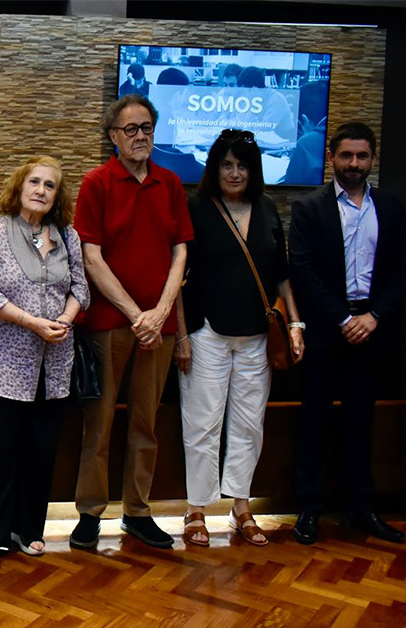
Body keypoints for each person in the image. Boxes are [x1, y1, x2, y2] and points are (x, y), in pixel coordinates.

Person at [70, 94, 193, 550]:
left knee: (146, 424)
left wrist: (161, 314)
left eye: (147, 128)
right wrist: (136, 314)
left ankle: (137, 512)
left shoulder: (171, 183)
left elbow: (180, 252)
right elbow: (91, 258)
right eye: (130, 129)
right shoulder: (96, 182)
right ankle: (89, 514)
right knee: (98, 426)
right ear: (113, 136)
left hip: (158, 328)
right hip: (108, 325)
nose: (140, 136)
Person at [173, 129, 304, 547]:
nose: (234, 172)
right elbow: (175, 277)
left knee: (249, 425)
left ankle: (241, 506)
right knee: (202, 424)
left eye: (242, 165)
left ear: (254, 169)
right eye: (227, 164)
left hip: (256, 339)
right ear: (214, 167)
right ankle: (196, 509)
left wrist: (296, 324)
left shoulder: (266, 208)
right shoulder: (196, 207)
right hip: (206, 331)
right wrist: (180, 335)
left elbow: (281, 274)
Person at [0, 156, 89, 571]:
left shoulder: (67, 235)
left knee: (41, 449)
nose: (40, 189)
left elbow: (81, 289)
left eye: (49, 185)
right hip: (2, 365)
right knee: (1, 453)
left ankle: (27, 529)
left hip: (54, 363)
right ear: (18, 188)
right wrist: (33, 322)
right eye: (33, 182)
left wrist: (64, 320)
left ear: (57, 196)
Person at [290, 122, 406, 545]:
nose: (353, 163)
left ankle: (361, 510)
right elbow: (302, 268)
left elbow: (399, 272)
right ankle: (309, 510)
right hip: (326, 328)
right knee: (314, 419)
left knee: (361, 421)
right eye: (346, 156)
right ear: (332, 159)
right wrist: (342, 319)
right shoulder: (309, 207)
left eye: (361, 156)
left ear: (372, 158)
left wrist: (373, 316)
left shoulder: (391, 208)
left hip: (373, 330)